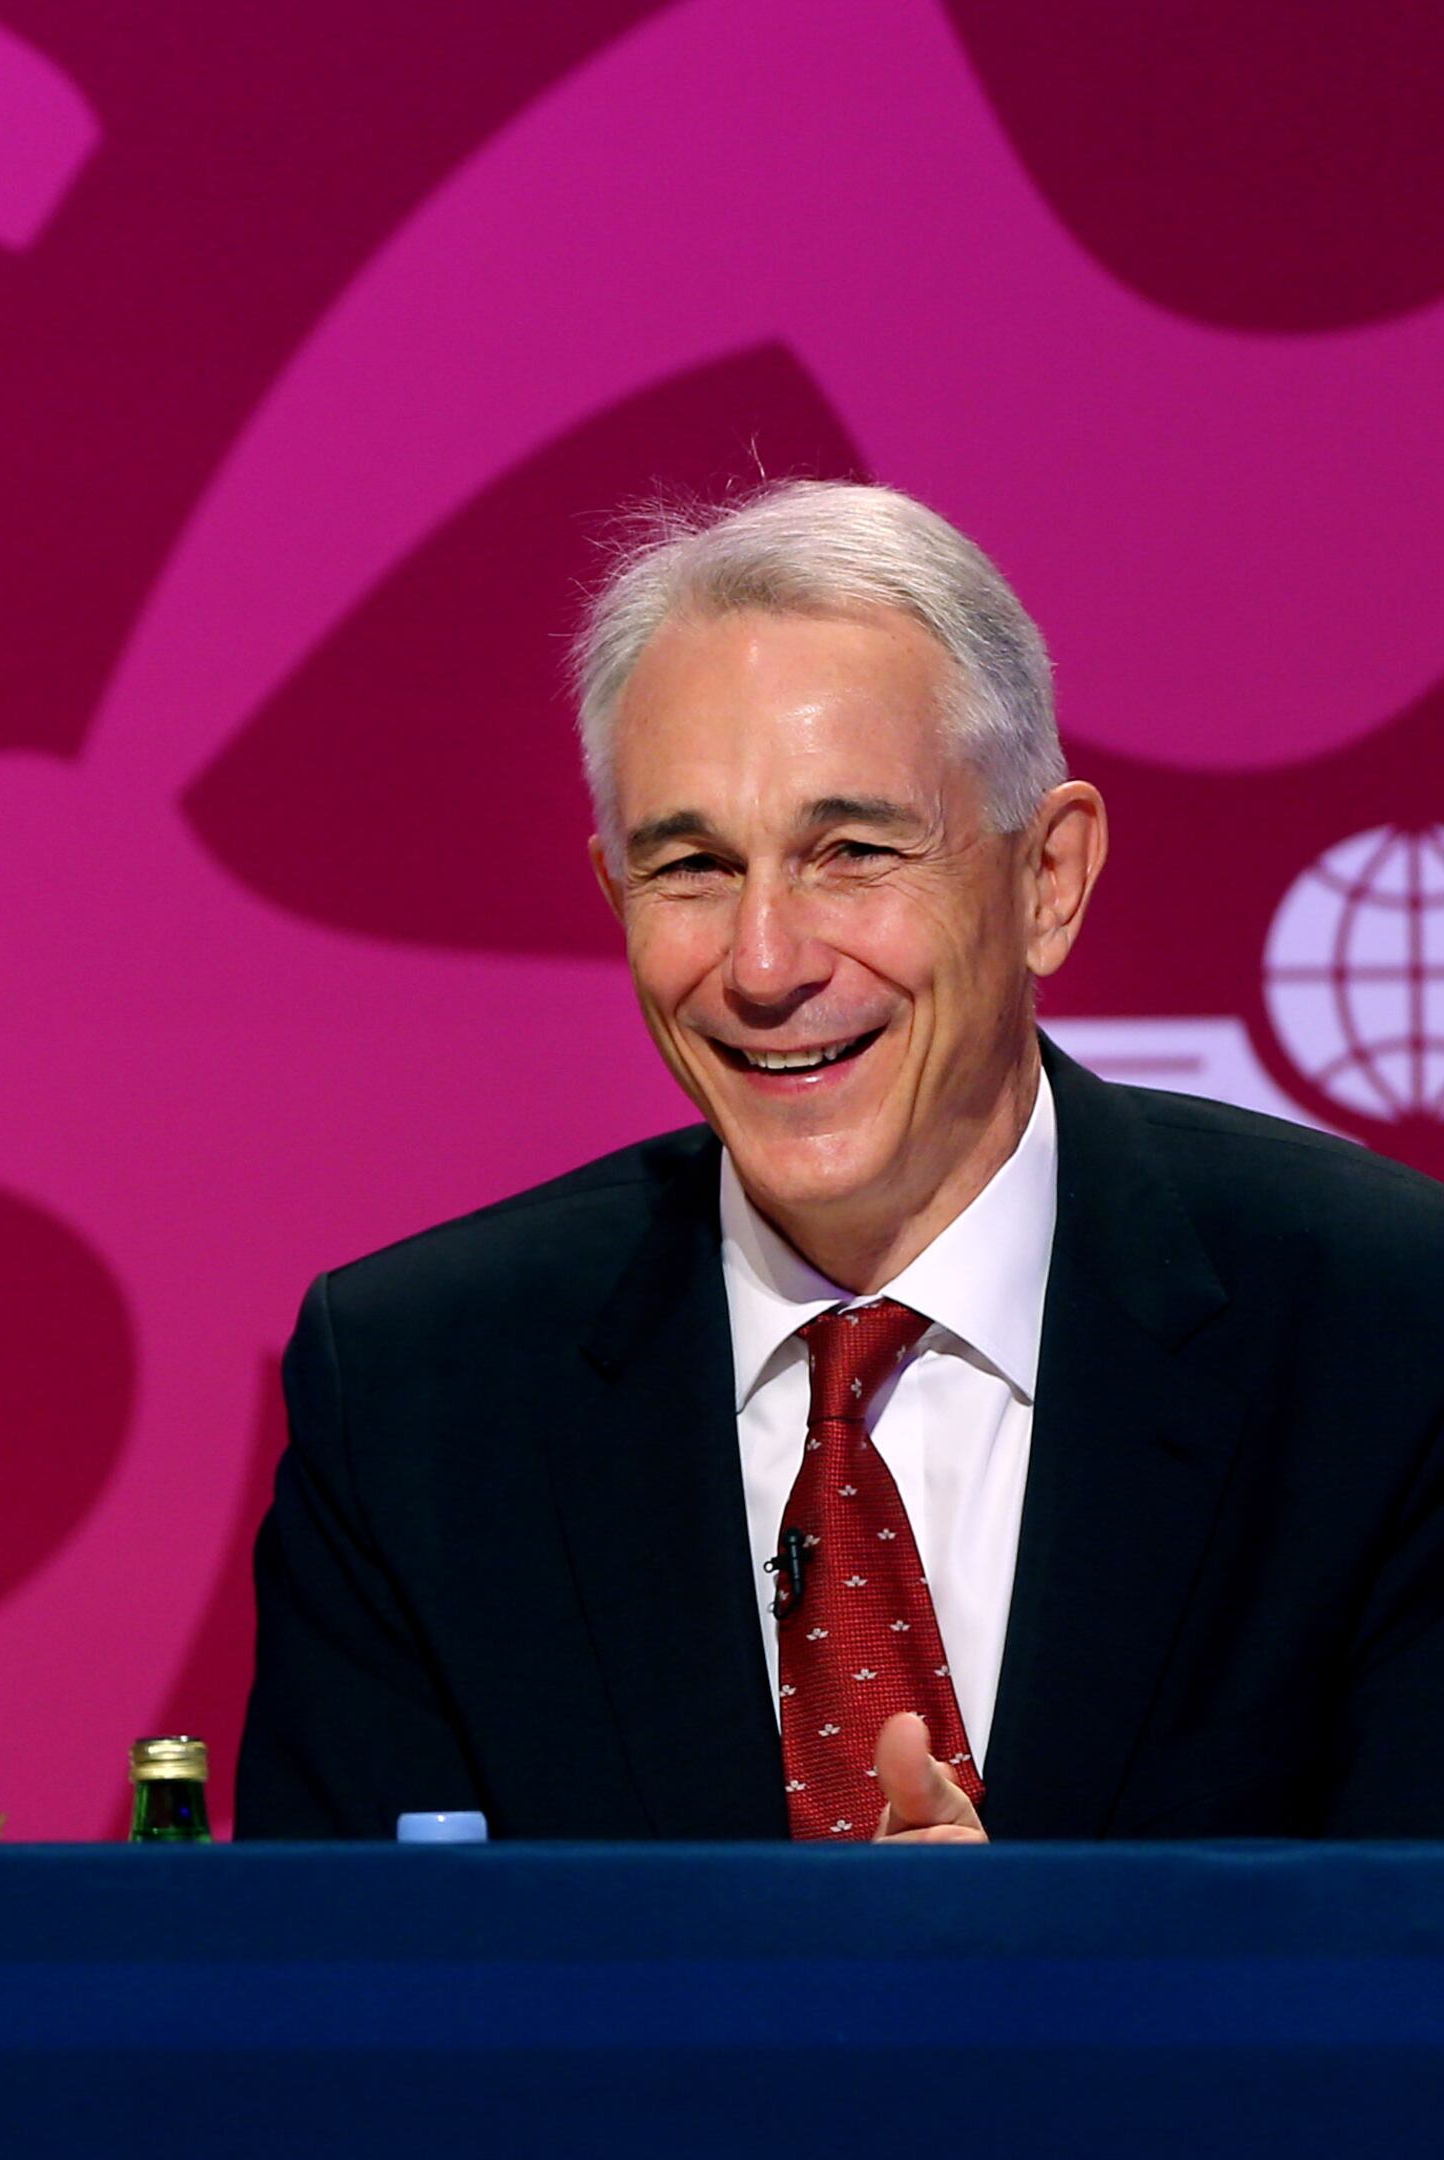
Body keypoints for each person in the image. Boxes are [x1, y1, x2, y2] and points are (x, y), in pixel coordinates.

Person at [237, 481, 1444, 1841]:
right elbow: (342, 2017)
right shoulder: (420, 1399)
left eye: (852, 852)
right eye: (691, 867)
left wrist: (1037, 1984)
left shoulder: (1384, 1333)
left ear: (1048, 878)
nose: (764, 965)